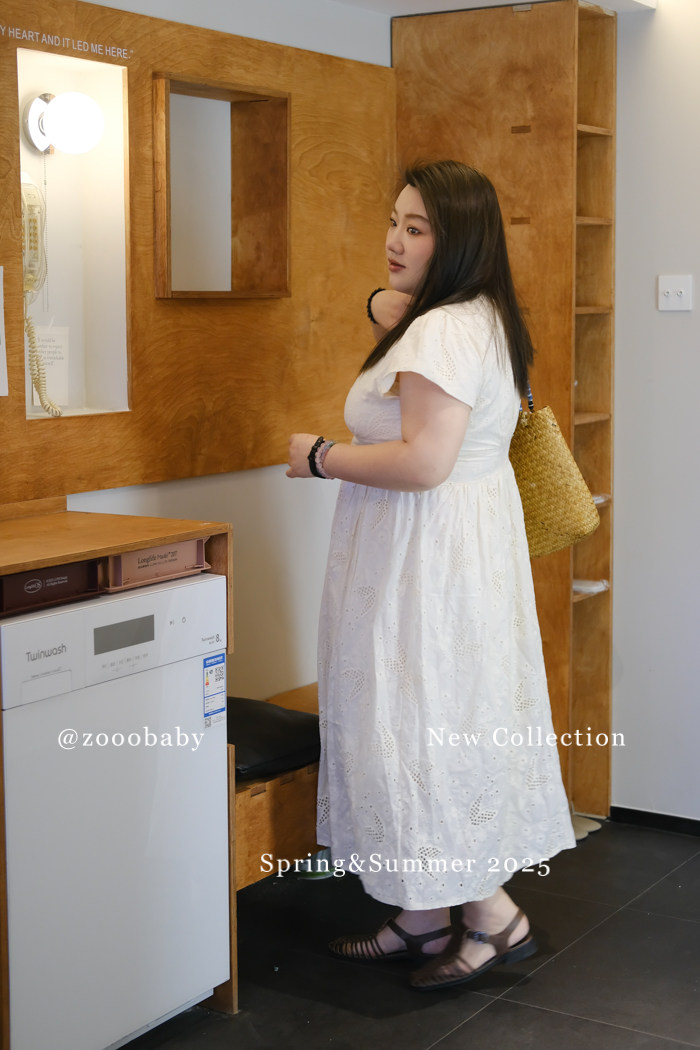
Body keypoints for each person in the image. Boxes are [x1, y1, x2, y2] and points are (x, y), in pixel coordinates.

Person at [286, 160, 575, 991]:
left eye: (418, 229)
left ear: (459, 241)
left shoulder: (442, 331)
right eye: (394, 221)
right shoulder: (480, 315)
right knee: (440, 721)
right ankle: (421, 916)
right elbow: (392, 310)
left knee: (413, 728)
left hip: (423, 558)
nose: (394, 240)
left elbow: (423, 462)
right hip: (461, 553)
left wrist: (319, 455)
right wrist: (389, 301)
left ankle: (494, 917)